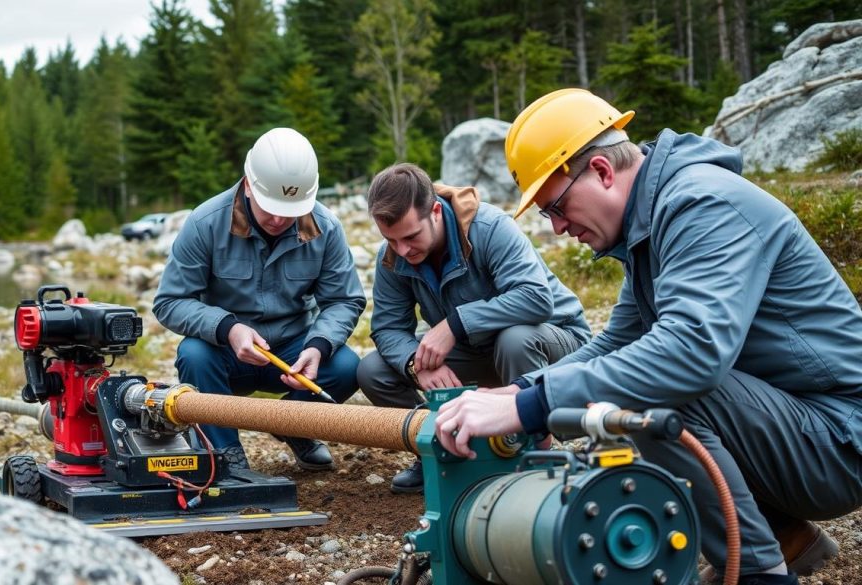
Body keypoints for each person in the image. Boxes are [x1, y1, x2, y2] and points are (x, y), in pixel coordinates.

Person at [433, 88, 862, 585]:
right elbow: (614, 344)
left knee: (657, 393)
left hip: (840, 439)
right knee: (633, 378)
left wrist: (535, 406)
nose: (556, 228)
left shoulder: (701, 203)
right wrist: (522, 392)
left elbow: (691, 351)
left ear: (600, 170)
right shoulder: (650, 227)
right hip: (799, 426)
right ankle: (785, 535)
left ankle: (758, 574)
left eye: (555, 207)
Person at [357, 162, 591, 493]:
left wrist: (455, 323)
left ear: (435, 212)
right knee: (373, 369)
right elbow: (387, 328)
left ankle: (532, 454)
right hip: (479, 352)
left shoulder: (490, 227)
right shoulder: (394, 255)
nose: (403, 251)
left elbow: (536, 299)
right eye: (391, 240)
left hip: (552, 342)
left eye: (411, 237)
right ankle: (436, 449)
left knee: (515, 339)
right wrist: (415, 364)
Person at [153, 127, 366, 471]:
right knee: (193, 353)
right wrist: (227, 328)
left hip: (292, 352)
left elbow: (344, 300)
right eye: (272, 208)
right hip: (225, 353)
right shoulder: (205, 223)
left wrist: (317, 347)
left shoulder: (326, 227)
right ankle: (223, 453)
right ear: (248, 184)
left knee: (345, 366)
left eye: (291, 210)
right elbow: (170, 301)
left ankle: (295, 426)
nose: (281, 219)